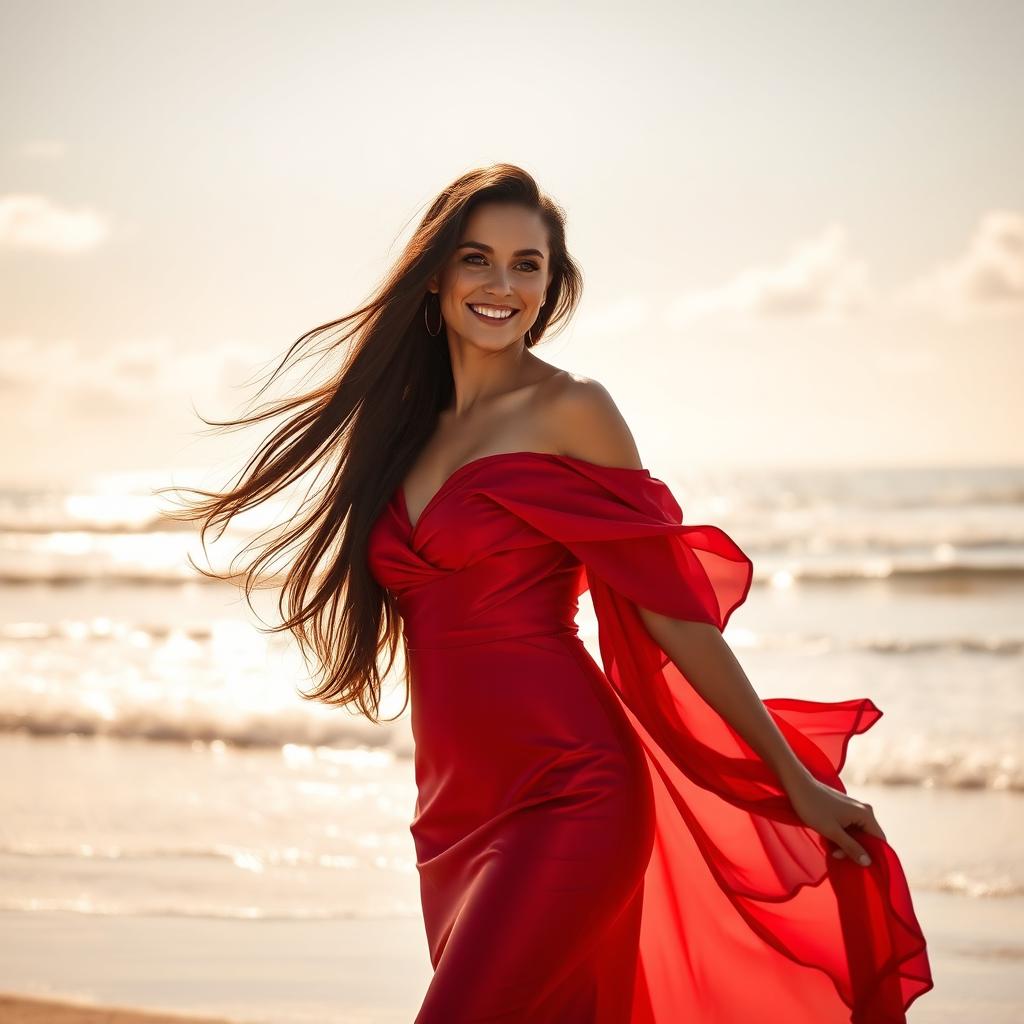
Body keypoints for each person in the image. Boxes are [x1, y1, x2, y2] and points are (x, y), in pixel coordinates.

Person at [163, 164, 933, 1022]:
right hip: (452, 812)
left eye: (527, 265)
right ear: (435, 272)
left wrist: (789, 777)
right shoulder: (403, 426)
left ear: (551, 284)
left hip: (575, 793)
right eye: (478, 260)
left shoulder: (573, 410)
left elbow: (668, 612)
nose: (502, 286)